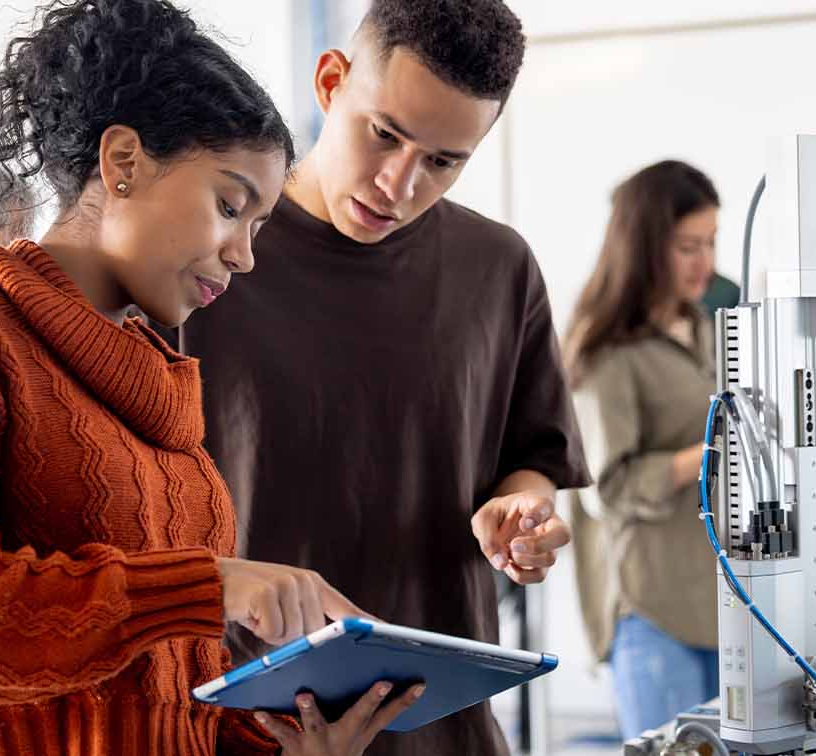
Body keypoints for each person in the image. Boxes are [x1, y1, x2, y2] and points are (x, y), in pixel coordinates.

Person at [0, 2, 415, 754]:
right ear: (122, 164)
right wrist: (206, 587)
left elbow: (170, 697)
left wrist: (288, 744)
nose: (244, 254)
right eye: (229, 205)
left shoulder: (160, 394)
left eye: (259, 225)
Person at [172, 1, 589, 752]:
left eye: (442, 161)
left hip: (443, 723)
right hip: (255, 725)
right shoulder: (208, 262)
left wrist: (522, 515)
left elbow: (535, 457)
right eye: (385, 135)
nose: (397, 184)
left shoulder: (497, 268)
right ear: (331, 81)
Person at [561, 161, 724, 740]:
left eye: (710, 243)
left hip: (719, 601)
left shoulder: (704, 328)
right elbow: (606, 489)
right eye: (688, 247)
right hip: (652, 608)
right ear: (646, 246)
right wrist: (700, 458)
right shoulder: (605, 350)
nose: (706, 262)